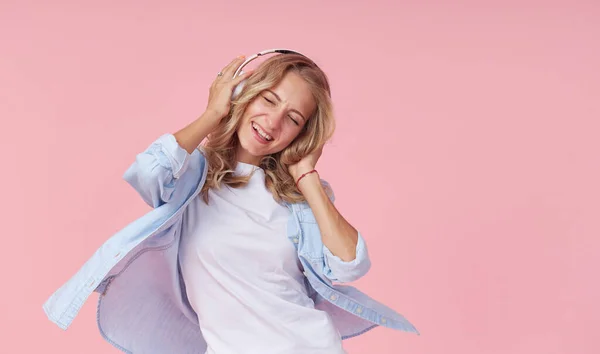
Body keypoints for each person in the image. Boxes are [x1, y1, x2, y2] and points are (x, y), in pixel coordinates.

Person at [43, 50, 418, 354]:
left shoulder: (297, 201)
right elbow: (148, 170)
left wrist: (307, 178)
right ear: (243, 94)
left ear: (301, 134)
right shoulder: (193, 179)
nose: (272, 122)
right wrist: (212, 114)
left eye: (292, 118)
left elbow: (350, 263)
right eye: (268, 99)